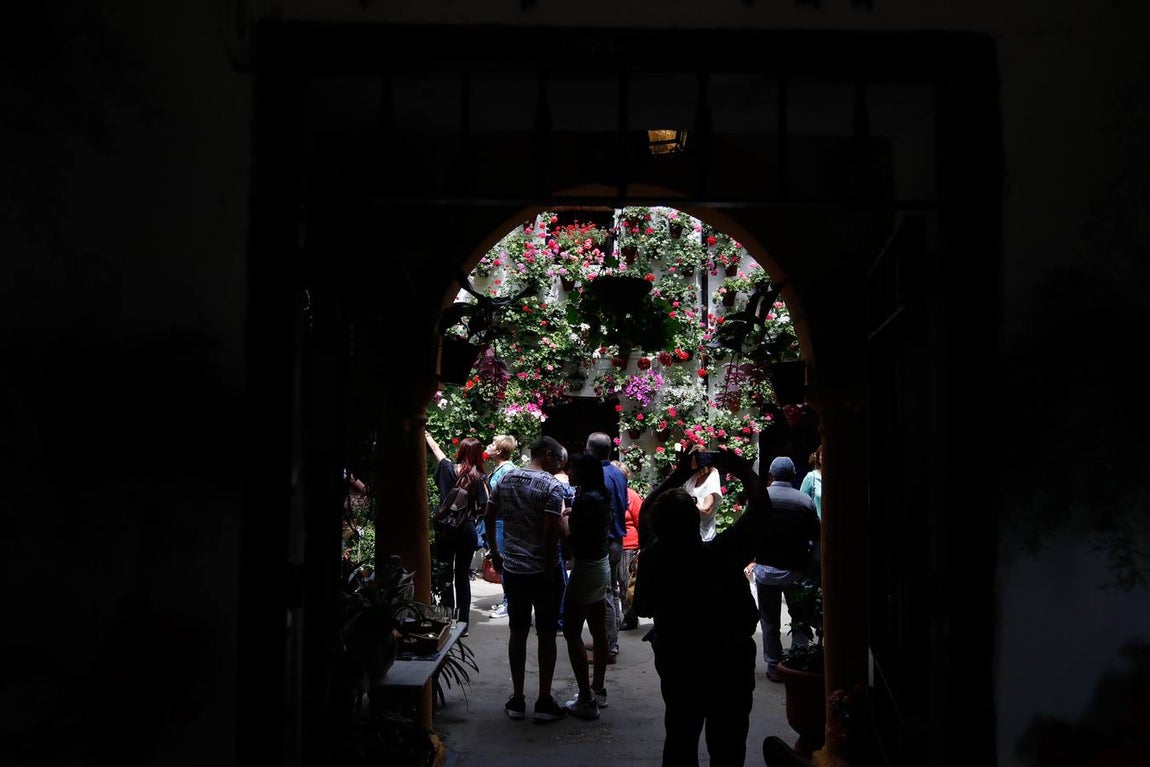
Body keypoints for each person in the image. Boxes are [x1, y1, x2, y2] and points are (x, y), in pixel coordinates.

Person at [632, 445, 771, 767]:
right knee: (728, 743)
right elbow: (761, 508)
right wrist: (742, 469)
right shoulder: (723, 552)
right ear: (694, 518)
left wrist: (680, 474)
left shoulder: (656, 557)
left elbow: (642, 606)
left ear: (660, 526)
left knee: (680, 737)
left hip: (679, 659)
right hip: (730, 659)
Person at [484, 435, 569, 722]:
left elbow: (489, 513)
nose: (559, 465)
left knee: (517, 631)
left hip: (515, 570)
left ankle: (518, 698)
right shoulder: (552, 486)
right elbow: (549, 530)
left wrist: (496, 552)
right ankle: (544, 699)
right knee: (546, 634)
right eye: (558, 459)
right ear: (547, 455)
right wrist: (548, 565)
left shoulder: (506, 480)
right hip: (543, 570)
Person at [749, 456, 821, 683]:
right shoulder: (803, 501)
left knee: (769, 621)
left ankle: (773, 665)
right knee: (799, 618)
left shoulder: (759, 499)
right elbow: (817, 539)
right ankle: (798, 660)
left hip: (766, 572)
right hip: (796, 571)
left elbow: (748, 534)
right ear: (792, 475)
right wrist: (812, 565)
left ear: (771, 475)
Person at [559, 451, 614, 720]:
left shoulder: (584, 500)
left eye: (573, 469)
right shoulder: (601, 496)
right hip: (601, 564)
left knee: (571, 630)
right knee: (598, 628)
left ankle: (585, 698)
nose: (569, 473)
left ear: (584, 473)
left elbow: (573, 536)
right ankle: (598, 689)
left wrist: (564, 519)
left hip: (585, 568)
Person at [426, 432, 488, 635]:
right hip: (466, 529)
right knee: (462, 576)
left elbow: (437, 452)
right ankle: (463, 624)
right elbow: (483, 506)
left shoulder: (446, 469)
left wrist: (427, 436)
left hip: (446, 529)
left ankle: (447, 620)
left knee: (445, 575)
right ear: (478, 454)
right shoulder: (478, 477)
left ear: (460, 451)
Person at [584, 432, 629, 663]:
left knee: (606, 594)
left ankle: (609, 647)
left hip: (605, 539)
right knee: (609, 590)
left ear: (590, 450)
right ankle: (607, 640)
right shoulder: (618, 473)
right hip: (616, 539)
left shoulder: (599, 474)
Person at [485, 434, 518, 619]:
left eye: (492, 443)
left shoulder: (507, 470)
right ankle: (508, 600)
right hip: (499, 519)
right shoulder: (502, 468)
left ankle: (509, 603)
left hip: (502, 521)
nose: (488, 446)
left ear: (498, 451)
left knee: (503, 561)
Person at [613, 460, 643, 631]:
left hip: (629, 546)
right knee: (611, 584)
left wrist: (641, 547)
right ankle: (615, 618)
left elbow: (641, 520)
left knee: (626, 583)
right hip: (613, 544)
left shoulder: (630, 495)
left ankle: (630, 617)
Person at [683, 455, 723, 542]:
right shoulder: (691, 477)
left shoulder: (712, 475)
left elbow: (706, 510)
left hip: (704, 537)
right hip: (688, 535)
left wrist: (687, 502)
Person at [798, 445, 823, 519]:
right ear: (818, 458)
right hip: (816, 526)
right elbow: (801, 502)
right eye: (822, 455)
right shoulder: (811, 477)